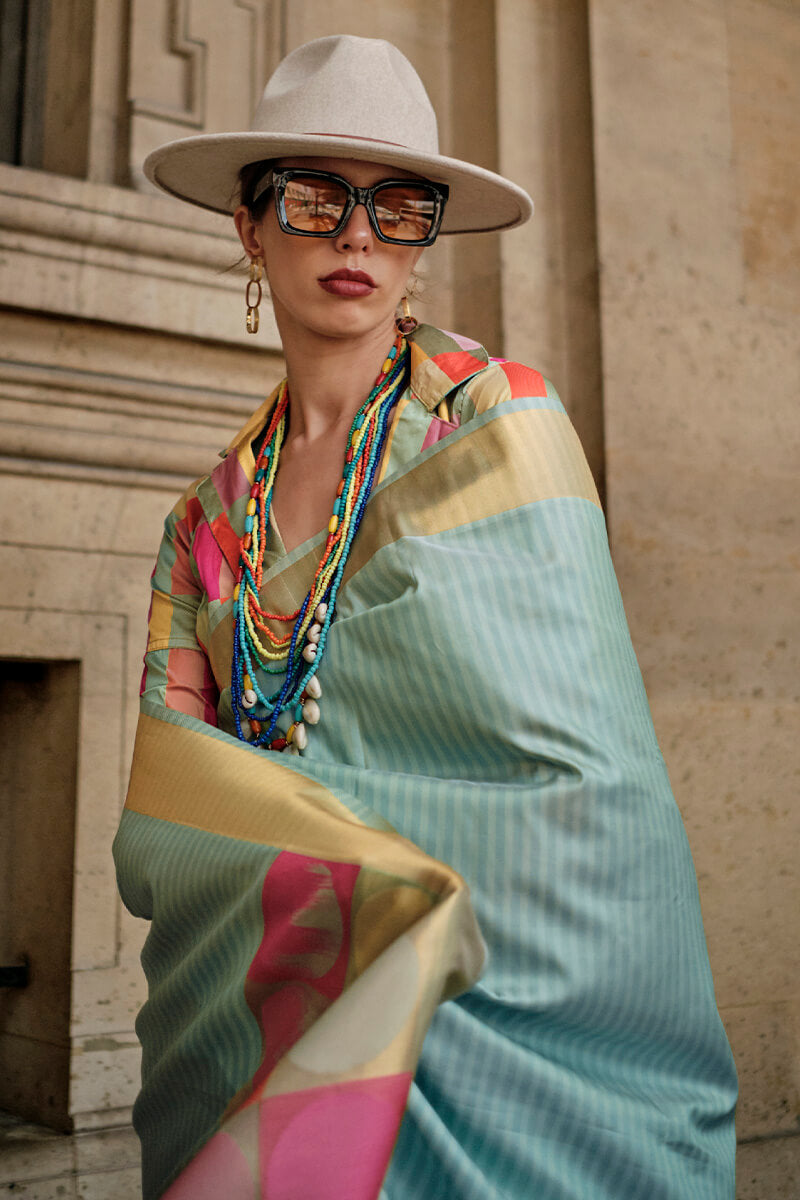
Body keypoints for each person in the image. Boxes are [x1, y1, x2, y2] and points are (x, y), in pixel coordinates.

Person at [113, 33, 737, 1200]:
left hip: (498, 1015)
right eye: (316, 197)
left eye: (399, 207)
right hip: (272, 1013)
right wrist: (328, 874)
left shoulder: (497, 423)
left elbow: (585, 786)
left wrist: (393, 897)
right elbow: (173, 810)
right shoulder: (204, 523)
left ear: (423, 240)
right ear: (248, 225)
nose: (357, 235)